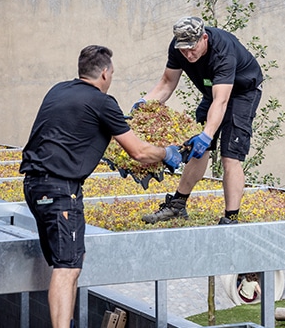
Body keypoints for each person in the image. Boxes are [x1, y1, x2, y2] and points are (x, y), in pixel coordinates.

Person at [20, 45, 182, 328]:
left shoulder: (57, 90)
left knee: (68, 263)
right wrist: (167, 153)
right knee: (66, 269)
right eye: (113, 73)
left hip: (34, 186)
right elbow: (139, 152)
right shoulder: (102, 102)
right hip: (59, 191)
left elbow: (75, 135)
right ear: (105, 73)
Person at [135, 16, 264, 226]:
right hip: (212, 91)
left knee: (230, 155)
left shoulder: (223, 51)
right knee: (196, 148)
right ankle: (177, 205)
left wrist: (207, 134)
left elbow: (221, 102)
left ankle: (231, 219)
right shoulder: (178, 47)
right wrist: (143, 105)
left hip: (242, 92)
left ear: (204, 38)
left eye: (191, 49)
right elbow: (167, 84)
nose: (187, 54)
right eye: (183, 50)